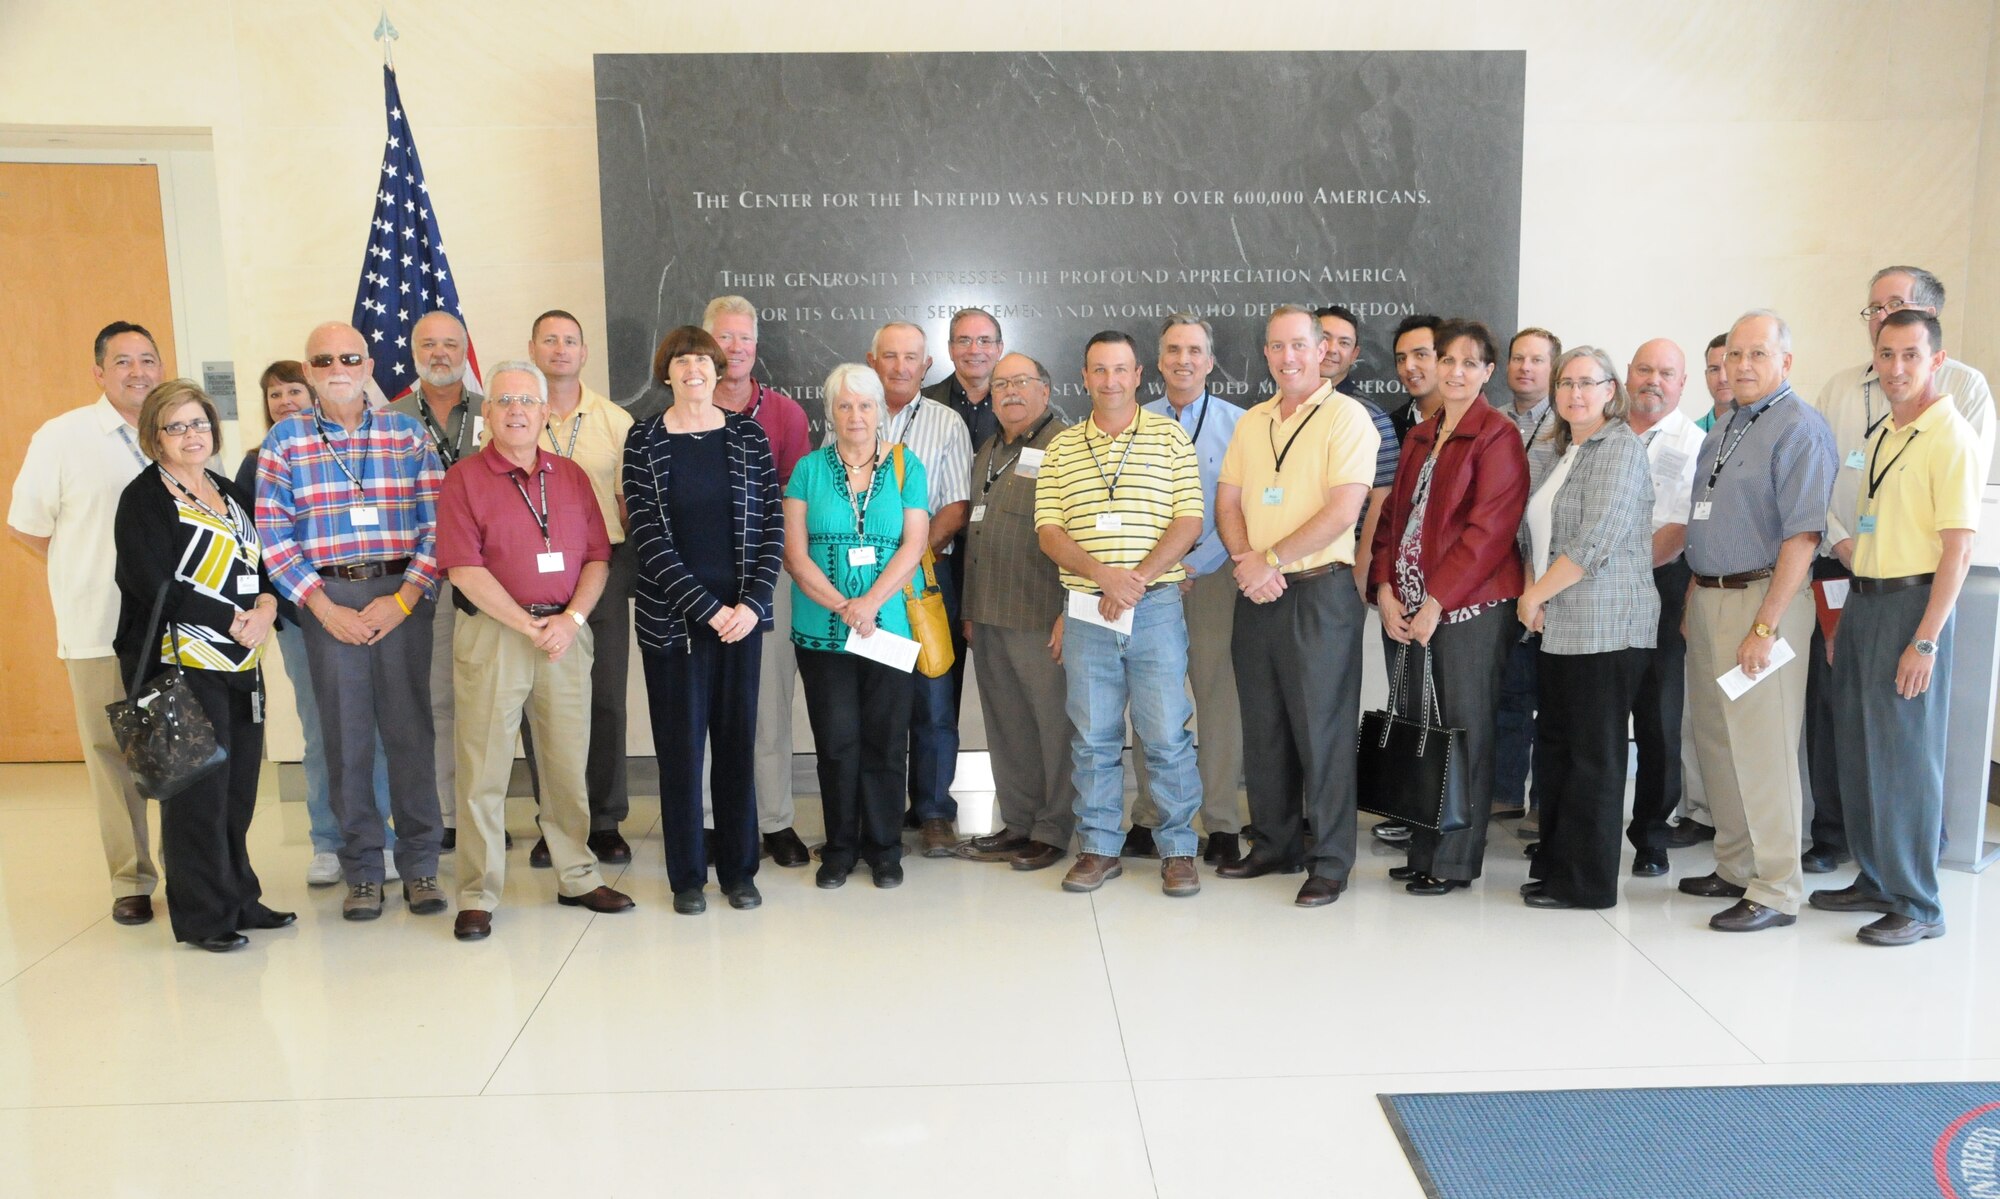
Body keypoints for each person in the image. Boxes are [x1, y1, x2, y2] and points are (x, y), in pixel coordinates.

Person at [435, 360, 636, 939]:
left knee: (567, 762)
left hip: (565, 637)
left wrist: (570, 619)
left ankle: (576, 873)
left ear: (545, 412)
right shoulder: (465, 479)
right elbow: (465, 571)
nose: (518, 411)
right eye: (505, 402)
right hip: (496, 636)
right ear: (488, 414)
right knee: (483, 767)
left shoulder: (571, 476)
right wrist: (527, 624)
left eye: (528, 401)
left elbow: (599, 556)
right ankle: (477, 892)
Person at [1806, 266, 1996, 875]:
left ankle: (1915, 898)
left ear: (1935, 359)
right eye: (1885, 352)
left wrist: (1925, 638)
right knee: (1863, 752)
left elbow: (1958, 549)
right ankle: (1875, 878)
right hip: (1864, 596)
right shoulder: (1891, 429)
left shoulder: (1952, 435)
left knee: (1907, 756)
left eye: (1909, 354)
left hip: (1912, 605)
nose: (1894, 366)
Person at [256, 321, 447, 921]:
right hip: (326, 598)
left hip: (401, 594)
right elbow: (273, 536)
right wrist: (320, 606)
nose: (337, 367)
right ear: (308, 372)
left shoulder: (407, 432)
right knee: (346, 740)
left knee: (411, 734)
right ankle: (363, 869)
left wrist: (407, 597)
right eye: (322, 359)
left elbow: (439, 525)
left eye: (349, 357)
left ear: (369, 365)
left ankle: (420, 867)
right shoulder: (284, 442)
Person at [110, 380, 291, 951]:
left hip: (240, 658)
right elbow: (151, 581)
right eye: (177, 426)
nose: (192, 435)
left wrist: (265, 606)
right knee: (196, 796)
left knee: (238, 790)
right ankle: (202, 917)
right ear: (154, 438)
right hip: (182, 663)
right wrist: (234, 615)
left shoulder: (225, 489)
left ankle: (240, 897)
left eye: (199, 423)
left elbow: (256, 564)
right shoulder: (144, 498)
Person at [1212, 305, 1380, 906]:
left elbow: (1343, 510)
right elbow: (1227, 501)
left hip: (1318, 591)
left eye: (1300, 347)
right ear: (1266, 354)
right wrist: (1246, 562)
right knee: (1265, 725)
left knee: (1324, 730)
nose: (1288, 358)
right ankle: (1276, 843)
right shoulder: (1252, 420)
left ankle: (1330, 859)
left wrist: (1270, 560)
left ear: (1321, 351)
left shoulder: (1347, 417)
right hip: (1256, 590)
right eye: (1277, 348)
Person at [1677, 310, 1837, 933]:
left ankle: (1774, 887)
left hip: (1765, 601)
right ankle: (1735, 863)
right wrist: (1695, 596)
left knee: (1764, 746)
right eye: (1733, 356)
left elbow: (1803, 535)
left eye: (1757, 355)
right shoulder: (1726, 427)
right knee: (1717, 740)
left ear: (1785, 363)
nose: (1741, 367)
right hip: (1711, 598)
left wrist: (1766, 627)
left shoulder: (1799, 426)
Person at [1035, 331, 1206, 898]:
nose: (1110, 380)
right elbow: (1049, 532)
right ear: (1084, 378)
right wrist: (1104, 577)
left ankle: (1179, 849)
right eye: (1098, 370)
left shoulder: (1170, 438)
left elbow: (1188, 522)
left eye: (1120, 370)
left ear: (1138, 376)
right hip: (1087, 609)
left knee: (1164, 735)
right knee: (1092, 736)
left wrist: (1135, 581)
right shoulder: (1060, 448)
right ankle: (1099, 847)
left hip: (1154, 606)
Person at [8, 321, 163, 926]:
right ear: (99, 373)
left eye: (147, 359)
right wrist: (80, 571)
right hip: (98, 625)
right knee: (112, 755)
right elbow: (24, 526)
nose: (138, 372)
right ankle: (131, 879)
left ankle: (196, 872)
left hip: (174, 628)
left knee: (179, 750)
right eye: (122, 362)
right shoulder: (63, 436)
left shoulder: (177, 428)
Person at [1368, 319, 1530, 895]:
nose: (1455, 372)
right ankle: (1422, 847)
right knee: (1419, 729)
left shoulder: (1497, 436)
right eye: (1447, 361)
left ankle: (1455, 860)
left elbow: (1489, 531)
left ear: (1487, 373)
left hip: (1469, 611)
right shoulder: (1420, 435)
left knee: (1464, 732)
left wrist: (1438, 599)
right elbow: (1392, 522)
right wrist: (1385, 588)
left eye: (1469, 363)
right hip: (1410, 610)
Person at [627, 327, 784, 913]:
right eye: (681, 360)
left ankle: (741, 872)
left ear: (719, 371)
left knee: (738, 747)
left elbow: (773, 524)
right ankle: (688, 877)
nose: (693, 368)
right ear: (665, 371)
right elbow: (647, 536)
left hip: (742, 622)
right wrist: (710, 610)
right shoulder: (643, 440)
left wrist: (751, 606)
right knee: (680, 752)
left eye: (703, 360)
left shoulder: (747, 435)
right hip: (674, 623)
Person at [235, 362, 396, 888]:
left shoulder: (360, 451)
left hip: (366, 608)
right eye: (274, 393)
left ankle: (381, 838)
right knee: (323, 731)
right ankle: (328, 840)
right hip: (303, 618)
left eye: (293, 390)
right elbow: (255, 546)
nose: (284, 400)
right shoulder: (259, 461)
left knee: (372, 727)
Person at [1515, 348, 1658, 910]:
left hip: (1607, 628)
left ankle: (1588, 883)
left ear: (1610, 390)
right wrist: (1534, 592)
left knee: (1593, 759)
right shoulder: (1559, 451)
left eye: (1587, 383)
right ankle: (1555, 865)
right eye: (1565, 384)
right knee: (1556, 752)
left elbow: (1595, 540)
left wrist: (1534, 594)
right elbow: (1531, 535)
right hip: (1555, 625)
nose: (1574, 393)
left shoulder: (1619, 449)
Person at [784, 363, 930, 889]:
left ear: (879, 412)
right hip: (822, 632)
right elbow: (795, 556)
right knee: (837, 742)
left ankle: (885, 849)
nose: (855, 415)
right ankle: (841, 848)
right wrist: (844, 606)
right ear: (830, 412)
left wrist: (868, 603)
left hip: (888, 626)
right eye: (844, 405)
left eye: (865, 405)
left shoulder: (904, 466)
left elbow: (914, 545)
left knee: (887, 741)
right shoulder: (807, 470)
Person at [1127, 313, 1245, 867]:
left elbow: (1238, 507)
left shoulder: (1239, 424)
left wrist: (1199, 562)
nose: (1184, 360)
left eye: (1195, 351)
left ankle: (1221, 821)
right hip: (1148, 584)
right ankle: (1151, 817)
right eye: (1173, 350)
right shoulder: (1132, 420)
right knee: (1153, 701)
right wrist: (1156, 570)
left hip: (1214, 576)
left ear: (1211, 361)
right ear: (1156, 362)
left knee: (1217, 699)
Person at [524, 310, 637, 866]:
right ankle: (555, 820)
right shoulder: (516, 415)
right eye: (550, 340)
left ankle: (606, 818)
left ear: (584, 352)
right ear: (533, 348)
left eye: (571, 340)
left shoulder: (615, 421)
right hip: (533, 578)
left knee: (606, 699)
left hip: (604, 571)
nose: (560, 349)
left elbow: (629, 507)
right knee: (542, 702)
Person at [706, 295, 814, 866]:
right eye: (725, 337)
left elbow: (793, 507)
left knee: (769, 703)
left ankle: (774, 820)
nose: (737, 349)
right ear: (704, 344)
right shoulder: (676, 414)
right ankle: (707, 820)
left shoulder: (785, 415)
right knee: (702, 704)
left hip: (768, 579)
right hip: (697, 584)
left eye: (745, 339)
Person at [958, 352, 1076, 871]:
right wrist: (968, 610)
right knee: (1007, 725)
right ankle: (1021, 821)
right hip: (989, 614)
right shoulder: (988, 449)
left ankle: (1053, 830)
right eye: (1001, 383)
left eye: (1022, 382)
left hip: (1041, 613)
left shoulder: (1067, 445)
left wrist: (1071, 611)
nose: (1009, 392)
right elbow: (975, 532)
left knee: (1053, 727)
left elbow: (1081, 533)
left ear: (1045, 391)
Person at [869, 322, 972, 856]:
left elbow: (956, 505)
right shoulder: (848, 412)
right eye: (891, 356)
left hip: (925, 585)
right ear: (873, 360)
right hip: (862, 590)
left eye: (911, 357)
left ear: (926, 364)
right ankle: (877, 809)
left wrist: (910, 561)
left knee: (933, 699)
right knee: (874, 700)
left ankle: (934, 811)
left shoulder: (946, 422)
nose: (901, 366)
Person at [386, 310, 483, 850]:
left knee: (494, 698)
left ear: (465, 351)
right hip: (418, 577)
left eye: (451, 344)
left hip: (489, 576)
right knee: (436, 697)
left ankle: (491, 810)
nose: (440, 353)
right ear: (413, 350)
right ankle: (446, 813)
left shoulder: (493, 411)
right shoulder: (390, 418)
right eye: (429, 344)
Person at [1620, 339, 1705, 876]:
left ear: (1681, 384)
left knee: (1657, 720)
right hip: (1590, 592)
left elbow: (1677, 529)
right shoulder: (1598, 430)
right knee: (1596, 718)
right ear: (1628, 375)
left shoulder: (1695, 443)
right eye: (1645, 369)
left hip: (1659, 589)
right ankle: (1586, 824)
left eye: (1666, 372)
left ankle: (1651, 834)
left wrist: (1614, 572)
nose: (1654, 380)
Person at [1374, 312, 1445, 848]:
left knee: (1446, 704)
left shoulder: (1480, 428)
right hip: (1397, 589)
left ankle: (1445, 813)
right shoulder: (1394, 426)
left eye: (1422, 354)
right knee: (1407, 697)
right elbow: (1386, 516)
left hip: (1452, 598)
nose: (1410, 366)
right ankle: (1411, 807)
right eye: (1402, 357)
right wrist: (1384, 586)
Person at [1493, 328, 1563, 824]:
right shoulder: (1491, 423)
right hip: (1497, 574)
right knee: (1508, 691)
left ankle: (1545, 802)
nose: (1525, 368)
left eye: (1537, 360)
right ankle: (1504, 791)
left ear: (1553, 369)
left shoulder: (1569, 425)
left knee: (1553, 698)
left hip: (1550, 577)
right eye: (1518, 358)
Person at [1669, 332, 1735, 847]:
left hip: (1747, 588)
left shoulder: (1776, 430)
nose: (1723, 376)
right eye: (1714, 367)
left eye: (1730, 363)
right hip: (1696, 582)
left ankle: (1736, 820)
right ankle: (1698, 809)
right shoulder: (1696, 434)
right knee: (1696, 710)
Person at [1316, 304, 1401, 601]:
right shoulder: (1279, 412)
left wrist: (1362, 568)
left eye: (1344, 343)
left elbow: (1382, 499)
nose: (1333, 350)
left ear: (1354, 355)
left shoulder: (1371, 417)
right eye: (1325, 338)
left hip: (1342, 561)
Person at [924, 307, 1005, 466]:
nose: (974, 350)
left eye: (984, 341)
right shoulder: (921, 403)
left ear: (999, 349)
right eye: (964, 341)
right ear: (951, 349)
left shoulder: (1017, 406)